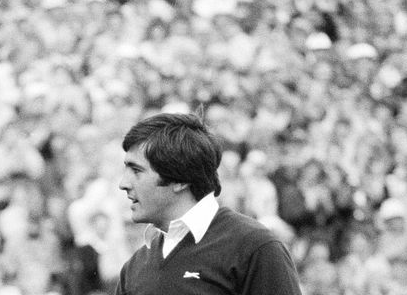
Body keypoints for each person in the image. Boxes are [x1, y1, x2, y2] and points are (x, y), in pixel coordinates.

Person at [115, 113, 302, 295]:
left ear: (180, 179)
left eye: (137, 171)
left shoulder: (255, 247)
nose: (123, 184)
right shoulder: (134, 267)